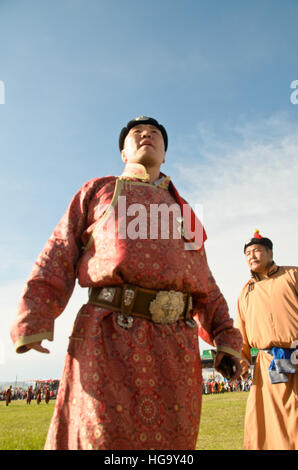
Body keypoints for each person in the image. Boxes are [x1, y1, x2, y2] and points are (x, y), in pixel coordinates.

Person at [10, 116, 242, 450]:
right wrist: (35, 313)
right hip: (107, 339)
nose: (146, 135)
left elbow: (204, 280)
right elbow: (59, 249)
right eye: (136, 134)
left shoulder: (184, 212)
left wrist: (225, 335)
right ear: (123, 153)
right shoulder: (98, 191)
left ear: (165, 154)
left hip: (175, 352)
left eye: (155, 134)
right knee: (102, 441)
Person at [236, 230, 298, 450]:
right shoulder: (246, 291)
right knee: (267, 426)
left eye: (257, 251)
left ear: (270, 252)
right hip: (266, 364)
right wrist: (241, 362)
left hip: (297, 357)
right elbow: (240, 331)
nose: (251, 256)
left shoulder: (293, 275)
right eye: (247, 253)